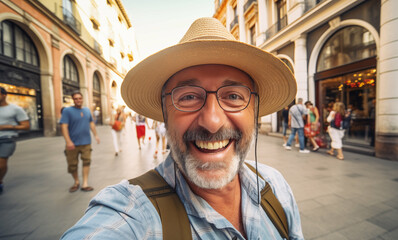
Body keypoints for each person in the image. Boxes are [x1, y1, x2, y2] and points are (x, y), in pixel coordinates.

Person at [61, 17, 304, 239]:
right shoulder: (130, 214)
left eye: (233, 96)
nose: (212, 122)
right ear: (165, 115)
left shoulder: (276, 186)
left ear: (254, 112)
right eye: (188, 97)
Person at [60, 91, 100, 192]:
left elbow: (91, 123)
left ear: (82, 99)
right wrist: (68, 141)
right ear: (73, 100)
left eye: (80, 98)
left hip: (86, 142)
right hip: (72, 144)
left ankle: (85, 183)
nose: (78, 100)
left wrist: (96, 135)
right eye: (76, 98)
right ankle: (76, 182)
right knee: (72, 165)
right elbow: (64, 127)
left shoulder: (87, 110)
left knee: (87, 161)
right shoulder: (67, 111)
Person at [0, 87, 30, 194]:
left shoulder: (15, 109)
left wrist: (8, 126)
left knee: (1, 164)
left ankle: (0, 181)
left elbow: (26, 126)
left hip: (7, 139)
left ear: (4, 95)